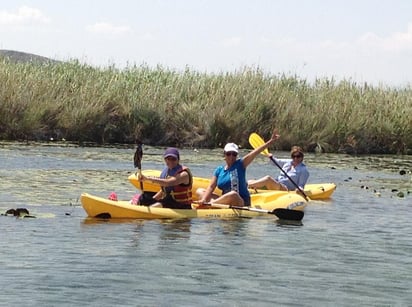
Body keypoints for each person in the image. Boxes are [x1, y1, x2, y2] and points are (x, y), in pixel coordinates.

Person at [196, 129, 280, 207]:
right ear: (224, 155)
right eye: (229, 154)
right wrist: (204, 198)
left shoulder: (240, 164)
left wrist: (270, 141)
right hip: (226, 199)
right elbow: (211, 187)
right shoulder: (219, 170)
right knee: (200, 191)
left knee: (233, 194)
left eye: (234, 154)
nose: (231, 156)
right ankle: (210, 203)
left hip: (241, 201)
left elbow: (255, 152)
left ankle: (210, 204)